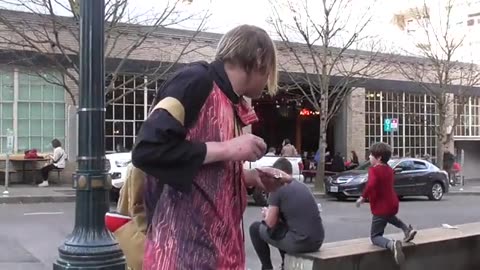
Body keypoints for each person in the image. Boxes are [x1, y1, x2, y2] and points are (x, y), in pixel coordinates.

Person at [132, 25, 291, 270]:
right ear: (259, 58)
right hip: (180, 257)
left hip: (219, 256)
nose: (271, 79)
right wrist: (228, 149)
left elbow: (203, 174)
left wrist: (250, 178)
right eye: (270, 68)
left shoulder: (230, 101)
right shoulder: (196, 81)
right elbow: (147, 151)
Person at [250, 158, 324, 270]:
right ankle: (285, 265)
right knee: (281, 229)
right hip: (317, 240)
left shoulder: (277, 187)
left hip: (301, 243)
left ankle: (267, 267)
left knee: (255, 228)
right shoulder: (302, 186)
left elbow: (270, 224)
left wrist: (266, 214)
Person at [356, 142, 417, 265]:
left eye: (371, 155)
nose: (369, 157)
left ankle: (391, 244)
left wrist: (363, 197)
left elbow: (371, 184)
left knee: (375, 236)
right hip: (392, 203)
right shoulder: (389, 169)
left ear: (378, 158)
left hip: (380, 207)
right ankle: (406, 230)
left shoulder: (373, 170)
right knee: (390, 217)